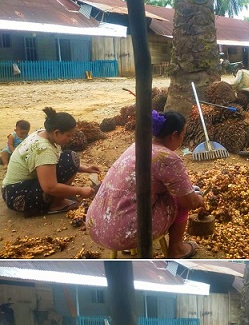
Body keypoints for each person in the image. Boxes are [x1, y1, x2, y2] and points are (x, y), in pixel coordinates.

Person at [86, 111, 204, 258]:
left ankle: (130, 245)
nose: (182, 138)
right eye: (182, 134)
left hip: (96, 224)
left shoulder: (138, 144)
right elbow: (190, 201)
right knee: (181, 200)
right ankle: (177, 249)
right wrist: (199, 200)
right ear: (174, 135)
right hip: (123, 234)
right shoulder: (167, 157)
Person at [2, 107, 100, 216]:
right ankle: (56, 204)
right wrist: (80, 191)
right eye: (68, 135)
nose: (70, 138)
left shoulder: (42, 134)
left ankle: (57, 199)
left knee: (71, 158)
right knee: (70, 157)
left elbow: (56, 160)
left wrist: (86, 169)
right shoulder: (44, 149)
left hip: (10, 191)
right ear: (57, 132)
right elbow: (49, 187)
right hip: (19, 197)